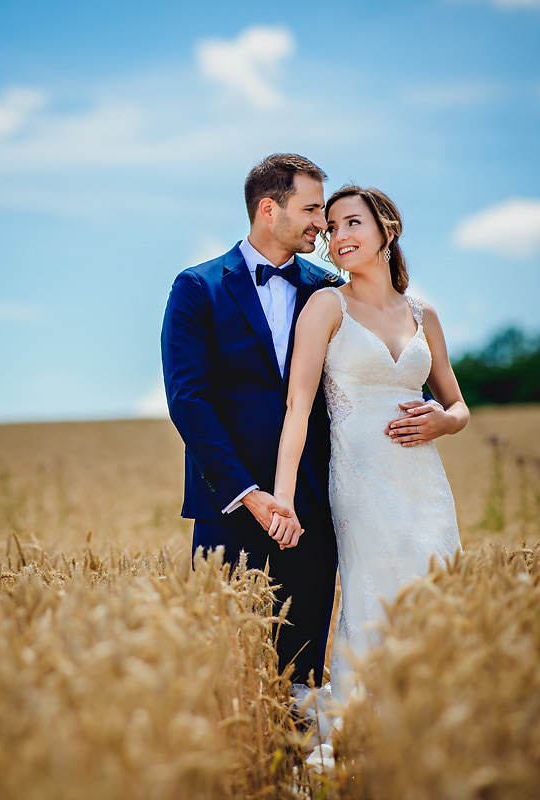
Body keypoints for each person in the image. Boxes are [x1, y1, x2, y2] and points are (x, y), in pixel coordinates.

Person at [270, 185, 467, 703]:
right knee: (376, 591)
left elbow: (459, 406)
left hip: (424, 480)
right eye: (331, 228)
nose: (338, 236)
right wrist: (282, 498)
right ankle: (368, 720)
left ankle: (434, 712)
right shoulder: (325, 305)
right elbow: (298, 409)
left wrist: (441, 423)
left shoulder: (424, 315)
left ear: (387, 229)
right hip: (361, 478)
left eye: (352, 223)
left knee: (435, 588)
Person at [161, 153, 341, 690]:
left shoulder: (330, 289)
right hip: (229, 509)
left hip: (314, 506)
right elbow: (188, 400)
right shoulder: (198, 288)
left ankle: (303, 772)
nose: (323, 223)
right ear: (269, 208)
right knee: (226, 670)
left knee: (304, 668)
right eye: (311, 209)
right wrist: (251, 494)